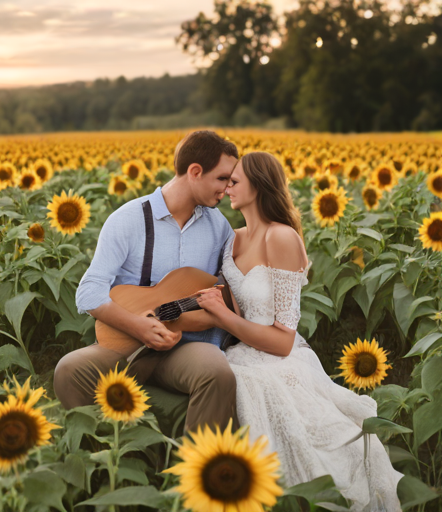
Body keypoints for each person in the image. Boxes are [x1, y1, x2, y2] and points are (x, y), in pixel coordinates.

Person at [195, 152, 403, 511]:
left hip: (280, 359)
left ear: (259, 186)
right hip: (241, 353)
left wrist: (221, 317)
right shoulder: (233, 240)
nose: (228, 186)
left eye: (235, 180)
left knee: (327, 449)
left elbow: (282, 340)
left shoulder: (282, 238)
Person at [53, 130, 239, 433]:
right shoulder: (128, 219)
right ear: (195, 172)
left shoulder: (219, 226)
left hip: (184, 347)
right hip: (125, 344)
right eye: (222, 179)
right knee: (68, 370)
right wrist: (138, 325)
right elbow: (89, 292)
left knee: (217, 373)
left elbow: (230, 287)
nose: (227, 188)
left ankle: (198, 470)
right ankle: (106, 454)